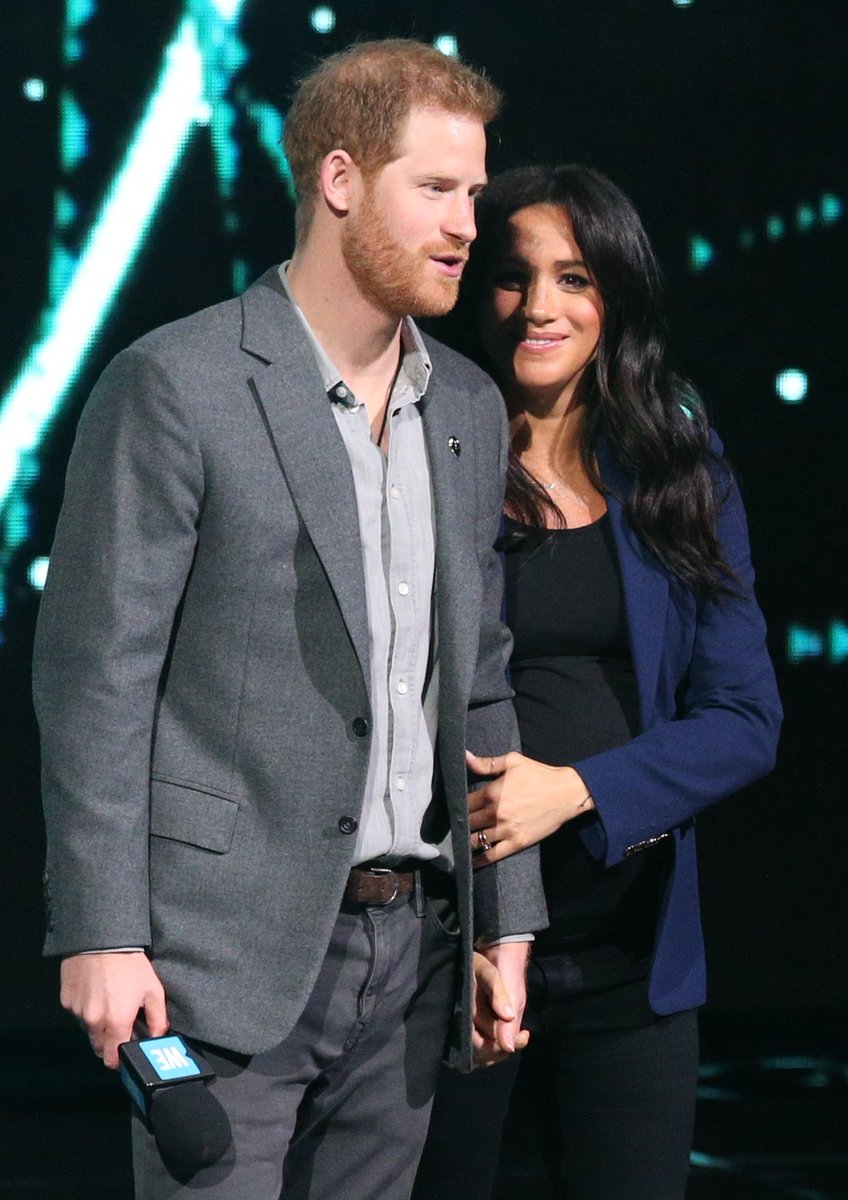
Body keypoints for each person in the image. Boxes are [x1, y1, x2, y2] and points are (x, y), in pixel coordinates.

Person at [32, 40, 548, 1200]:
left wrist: (503, 921)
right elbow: (96, 678)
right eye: (435, 188)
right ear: (339, 179)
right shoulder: (179, 383)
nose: (469, 223)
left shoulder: (462, 402)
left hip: (411, 956)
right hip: (221, 956)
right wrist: (100, 933)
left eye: (473, 192)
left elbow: (479, 681)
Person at [413, 165, 782, 1200]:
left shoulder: (677, 466)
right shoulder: (415, 458)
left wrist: (572, 790)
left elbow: (744, 720)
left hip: (632, 964)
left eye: (573, 278)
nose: (539, 307)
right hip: (445, 963)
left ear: (612, 296)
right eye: (511, 277)